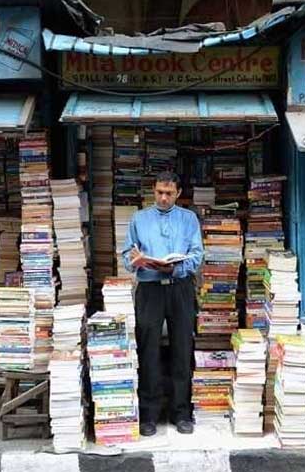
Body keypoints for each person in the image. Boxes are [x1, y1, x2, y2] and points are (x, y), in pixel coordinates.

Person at [122, 171, 204, 436]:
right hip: (149, 290)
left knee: (182, 348)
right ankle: (149, 414)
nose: (163, 198)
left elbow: (196, 256)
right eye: (159, 192)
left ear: (178, 193)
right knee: (149, 350)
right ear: (153, 191)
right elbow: (126, 255)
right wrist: (135, 260)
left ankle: (181, 413)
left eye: (169, 193)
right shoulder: (139, 219)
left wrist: (175, 269)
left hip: (180, 288)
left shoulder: (189, 219)